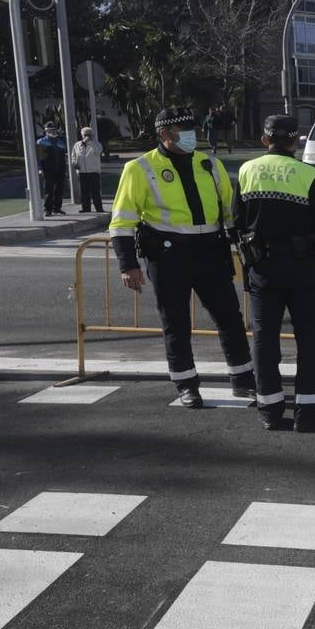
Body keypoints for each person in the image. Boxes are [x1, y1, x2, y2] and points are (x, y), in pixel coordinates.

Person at [109, 106, 256, 408]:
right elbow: (122, 221)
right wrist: (128, 265)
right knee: (175, 322)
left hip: (210, 252)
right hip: (167, 255)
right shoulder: (139, 168)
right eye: (183, 130)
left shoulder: (210, 164)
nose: (192, 135)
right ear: (164, 134)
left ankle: (243, 381)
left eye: (193, 129)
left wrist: (244, 250)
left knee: (229, 317)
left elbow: (231, 214)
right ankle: (186, 385)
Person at [235, 115, 315, 432]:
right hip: (302, 268)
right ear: (297, 141)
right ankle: (306, 412)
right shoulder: (308, 174)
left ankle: (269, 409)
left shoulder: (246, 171)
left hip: (261, 268)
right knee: (310, 341)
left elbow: (236, 219)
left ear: (265, 140)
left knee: (264, 341)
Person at [37, 121, 68, 216]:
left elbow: (63, 157)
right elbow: (38, 157)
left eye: (54, 130)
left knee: (60, 189)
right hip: (48, 169)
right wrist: (40, 168)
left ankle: (57, 208)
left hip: (60, 169)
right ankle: (47, 209)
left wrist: (65, 169)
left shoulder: (61, 142)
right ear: (46, 131)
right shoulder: (41, 142)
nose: (52, 132)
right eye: (49, 130)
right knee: (48, 190)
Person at [71, 126, 105, 213]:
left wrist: (90, 143)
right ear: (82, 135)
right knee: (84, 192)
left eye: (89, 134)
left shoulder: (96, 144)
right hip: (82, 172)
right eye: (85, 134)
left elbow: (98, 152)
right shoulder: (77, 145)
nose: (87, 136)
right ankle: (86, 208)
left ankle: (99, 208)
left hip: (93, 171)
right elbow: (73, 156)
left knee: (95, 192)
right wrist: (75, 163)